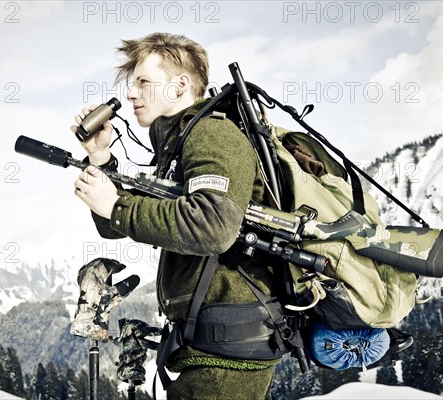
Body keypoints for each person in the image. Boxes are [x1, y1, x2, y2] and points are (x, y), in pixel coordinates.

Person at [72, 32, 285, 399]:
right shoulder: (178, 146)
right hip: (207, 347)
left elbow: (214, 225)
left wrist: (118, 206)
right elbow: (113, 226)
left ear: (180, 85)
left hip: (226, 354)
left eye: (143, 82)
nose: (131, 93)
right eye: (131, 84)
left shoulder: (212, 133)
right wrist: (100, 157)